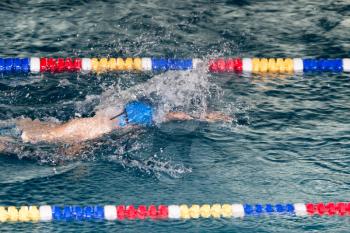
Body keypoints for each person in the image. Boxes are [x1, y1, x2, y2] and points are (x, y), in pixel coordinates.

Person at [0, 100, 231, 147]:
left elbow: (175, 115)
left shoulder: (132, 115)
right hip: (81, 129)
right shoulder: (145, 118)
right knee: (29, 138)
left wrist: (204, 116)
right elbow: (175, 115)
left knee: (31, 127)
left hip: (83, 126)